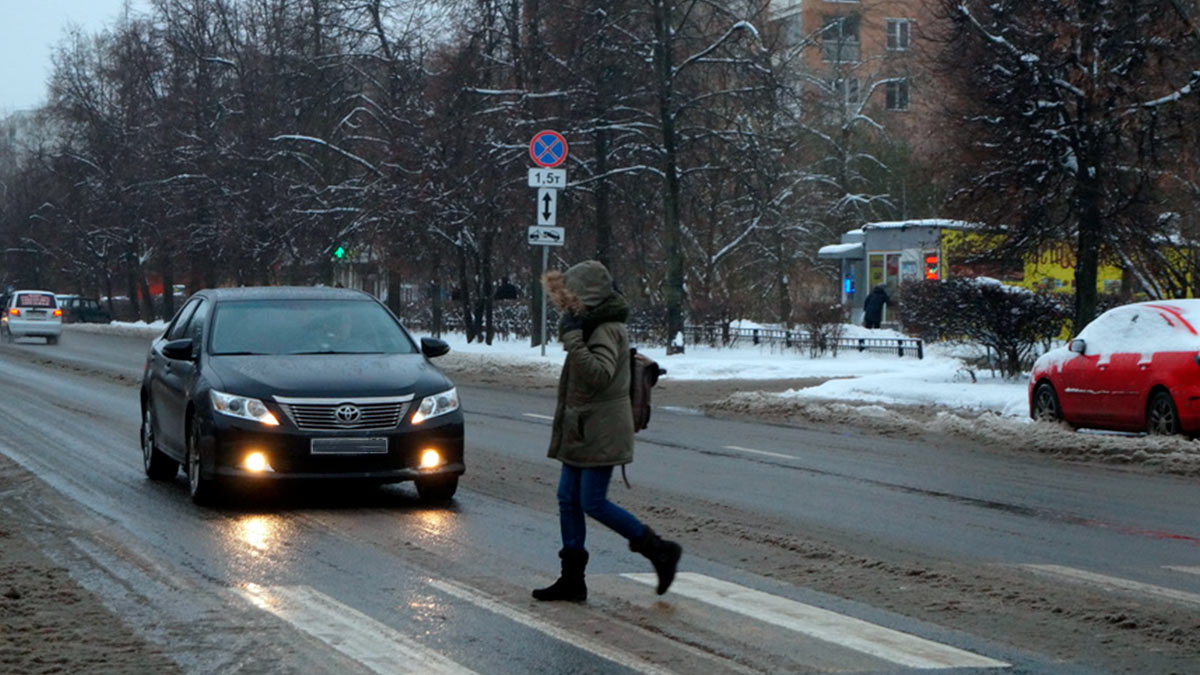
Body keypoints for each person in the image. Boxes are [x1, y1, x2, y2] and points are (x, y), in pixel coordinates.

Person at [532, 260, 682, 602]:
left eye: (571, 299)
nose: (566, 306)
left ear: (588, 296)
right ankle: (572, 580)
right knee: (567, 499)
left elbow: (598, 375)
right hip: (582, 427)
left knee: (592, 502)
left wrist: (573, 341)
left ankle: (660, 550)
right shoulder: (590, 325)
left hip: (601, 429)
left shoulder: (606, 329)